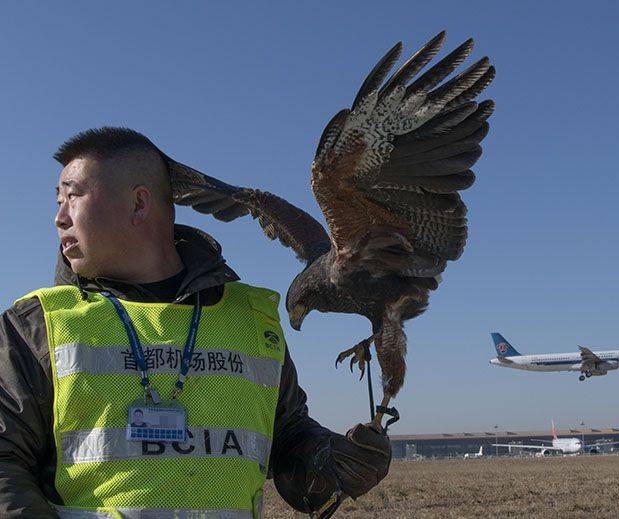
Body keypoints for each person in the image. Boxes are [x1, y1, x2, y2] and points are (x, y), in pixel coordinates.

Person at [0, 127, 391, 517]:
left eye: (73, 196)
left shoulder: (251, 320)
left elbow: (287, 441)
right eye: (58, 201)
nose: (59, 218)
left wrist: (328, 463)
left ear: (139, 204)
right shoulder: (37, 327)